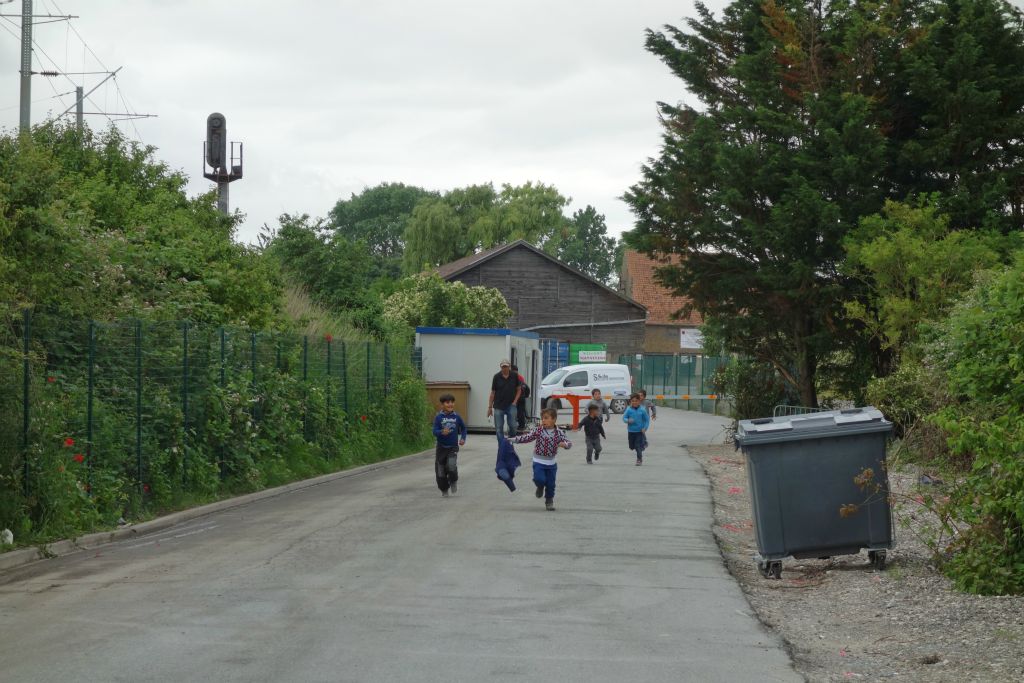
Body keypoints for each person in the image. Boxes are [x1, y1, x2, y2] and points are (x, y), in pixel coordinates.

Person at [511, 407, 571, 511]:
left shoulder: (559, 433)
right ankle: (540, 486)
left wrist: (565, 445)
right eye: (543, 418)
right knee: (540, 479)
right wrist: (512, 440)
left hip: (551, 463)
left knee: (551, 484)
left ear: (554, 419)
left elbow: (569, 443)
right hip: (538, 461)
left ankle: (549, 501)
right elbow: (526, 437)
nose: (543, 420)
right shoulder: (538, 430)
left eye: (546, 418)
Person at [432, 393, 467, 497]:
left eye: (452, 402)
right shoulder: (438, 417)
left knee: (451, 466)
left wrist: (463, 438)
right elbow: (434, 431)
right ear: (442, 405)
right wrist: (441, 432)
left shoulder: (457, 417)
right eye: (447, 402)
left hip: (453, 447)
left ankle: (453, 481)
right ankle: (444, 489)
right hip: (441, 448)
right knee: (440, 470)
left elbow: (464, 428)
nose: (450, 404)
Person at [488, 359, 521, 440]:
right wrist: (489, 407)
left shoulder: (514, 376)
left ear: (509, 366)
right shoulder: (496, 377)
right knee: (499, 428)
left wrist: (515, 402)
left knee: (513, 426)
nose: (504, 368)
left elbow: (519, 390)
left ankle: (510, 441)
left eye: (506, 366)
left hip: (511, 405)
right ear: (501, 367)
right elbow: (493, 393)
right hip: (498, 405)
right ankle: (501, 446)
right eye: (503, 367)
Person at [623, 393, 650, 466]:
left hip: (639, 431)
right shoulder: (628, 409)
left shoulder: (642, 410)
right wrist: (628, 420)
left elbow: (647, 420)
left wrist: (645, 428)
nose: (634, 402)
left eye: (636, 401)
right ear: (630, 402)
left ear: (639, 401)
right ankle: (643, 444)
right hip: (631, 431)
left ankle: (639, 459)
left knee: (637, 446)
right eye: (633, 401)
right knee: (631, 446)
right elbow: (624, 418)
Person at [511, 363, 529, 431]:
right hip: (522, 397)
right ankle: (521, 426)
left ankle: (516, 426)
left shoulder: (512, 377)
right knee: (521, 412)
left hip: (516, 398)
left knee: (516, 412)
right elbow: (526, 387)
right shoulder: (521, 377)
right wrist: (525, 396)